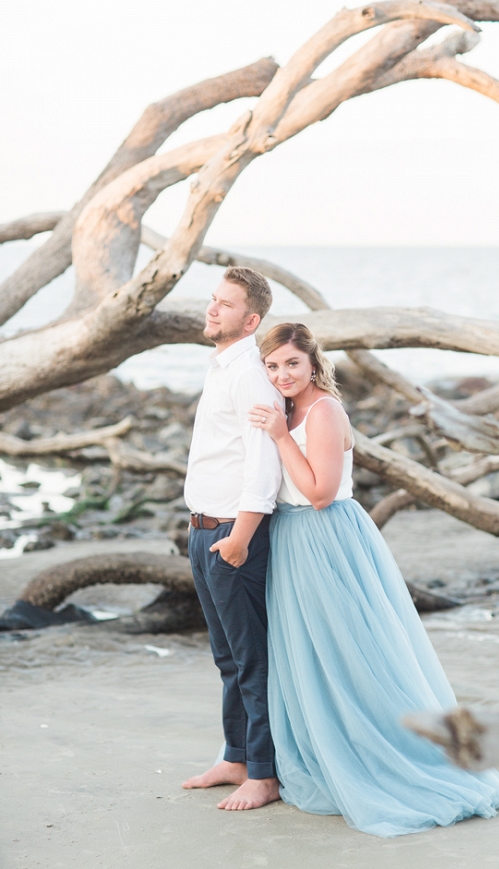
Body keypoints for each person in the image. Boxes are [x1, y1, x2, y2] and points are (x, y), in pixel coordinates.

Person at [248, 322, 499, 837]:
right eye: (273, 365)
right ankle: (315, 751)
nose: (282, 374)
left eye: (292, 364)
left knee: (351, 653)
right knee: (306, 652)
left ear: (312, 363)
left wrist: (281, 437)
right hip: (292, 538)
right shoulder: (289, 407)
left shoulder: (323, 410)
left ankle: (388, 759)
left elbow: (321, 491)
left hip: (324, 536)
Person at [182, 267, 283, 811]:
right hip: (203, 528)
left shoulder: (249, 372)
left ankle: (264, 774)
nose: (212, 309)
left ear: (251, 320)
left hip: (231, 533)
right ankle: (236, 756)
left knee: (251, 658)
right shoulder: (222, 364)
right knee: (226, 657)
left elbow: (261, 462)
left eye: (226, 305)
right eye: (213, 300)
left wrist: (240, 536)